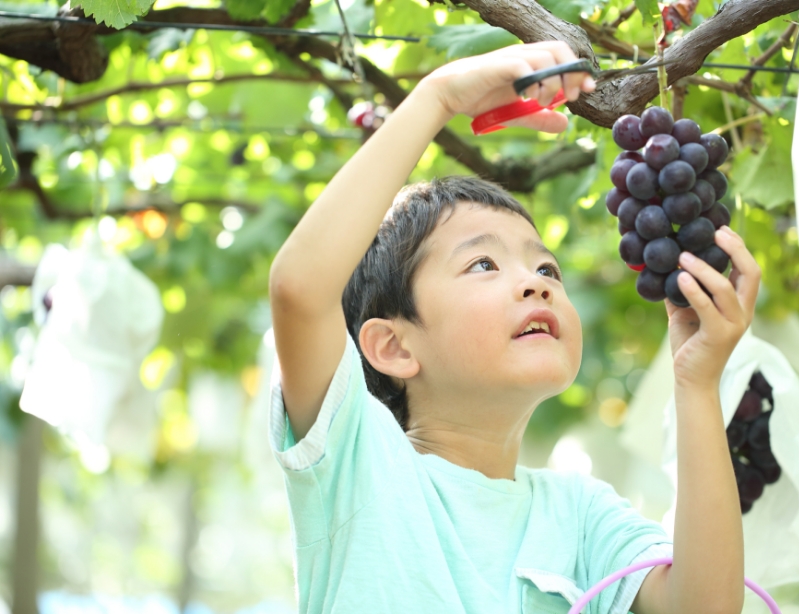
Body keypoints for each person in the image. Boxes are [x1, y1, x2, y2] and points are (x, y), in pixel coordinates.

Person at [268, 41, 759, 614]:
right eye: (483, 264)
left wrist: (696, 385)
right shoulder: (357, 464)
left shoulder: (578, 513)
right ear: (393, 346)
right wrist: (438, 96)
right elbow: (299, 290)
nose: (537, 283)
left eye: (546, 266)